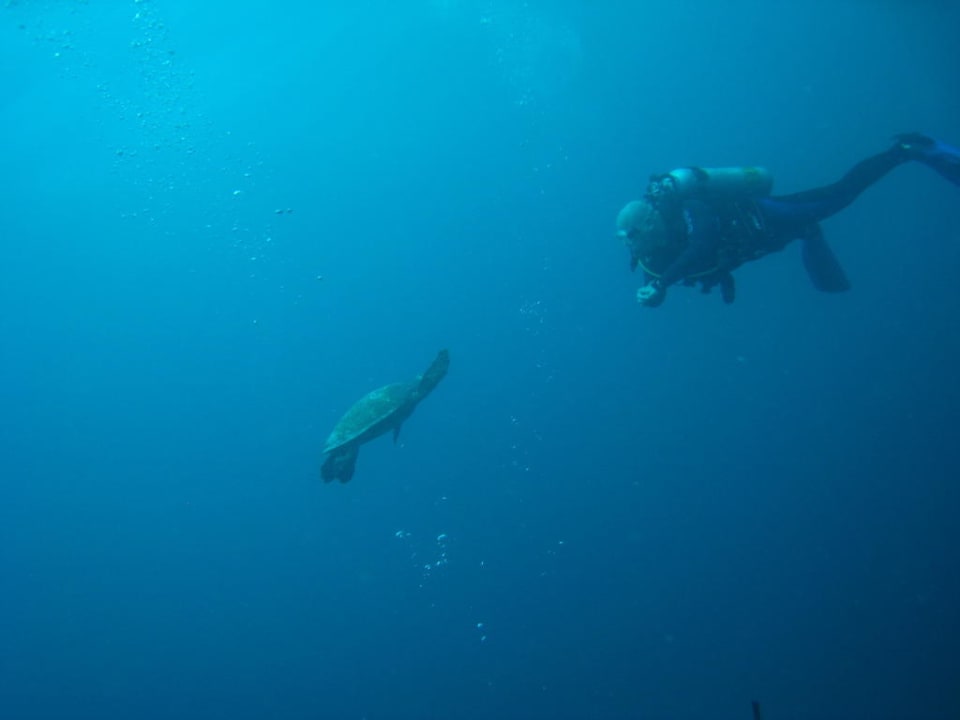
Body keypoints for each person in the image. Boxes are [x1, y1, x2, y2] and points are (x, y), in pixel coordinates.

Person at [616, 133, 960, 307]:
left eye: (632, 235)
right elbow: (660, 278)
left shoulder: (691, 207)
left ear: (648, 223)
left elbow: (702, 244)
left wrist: (662, 285)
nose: (631, 245)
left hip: (765, 216)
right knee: (808, 230)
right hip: (761, 241)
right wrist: (655, 294)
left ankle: (906, 150)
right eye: (626, 240)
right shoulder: (649, 256)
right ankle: (807, 232)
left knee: (838, 195)